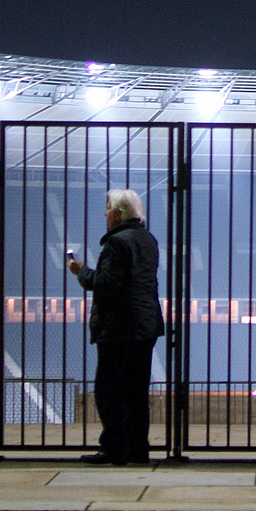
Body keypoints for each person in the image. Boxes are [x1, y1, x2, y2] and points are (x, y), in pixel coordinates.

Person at [67, 188, 164, 464]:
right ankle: (138, 448)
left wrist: (81, 271)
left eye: (108, 208)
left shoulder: (116, 243)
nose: (105, 213)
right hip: (146, 326)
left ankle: (114, 448)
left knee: (109, 391)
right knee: (136, 391)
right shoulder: (148, 239)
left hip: (119, 327)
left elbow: (106, 284)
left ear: (119, 214)